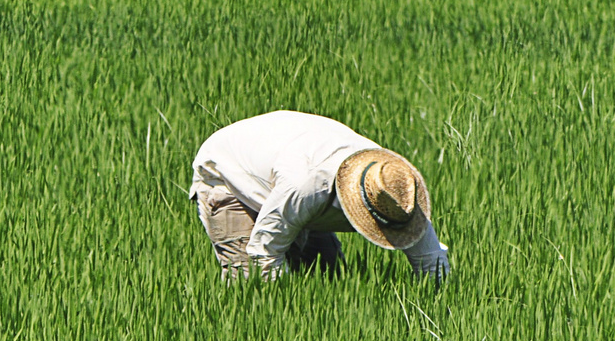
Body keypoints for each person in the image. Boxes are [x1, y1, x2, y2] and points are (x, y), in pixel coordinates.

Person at [189, 111, 451, 280]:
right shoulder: (307, 183)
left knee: (326, 275)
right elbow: (264, 253)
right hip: (230, 170)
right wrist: (278, 314)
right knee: (247, 276)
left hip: (295, 162)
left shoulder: (394, 191)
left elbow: (430, 259)